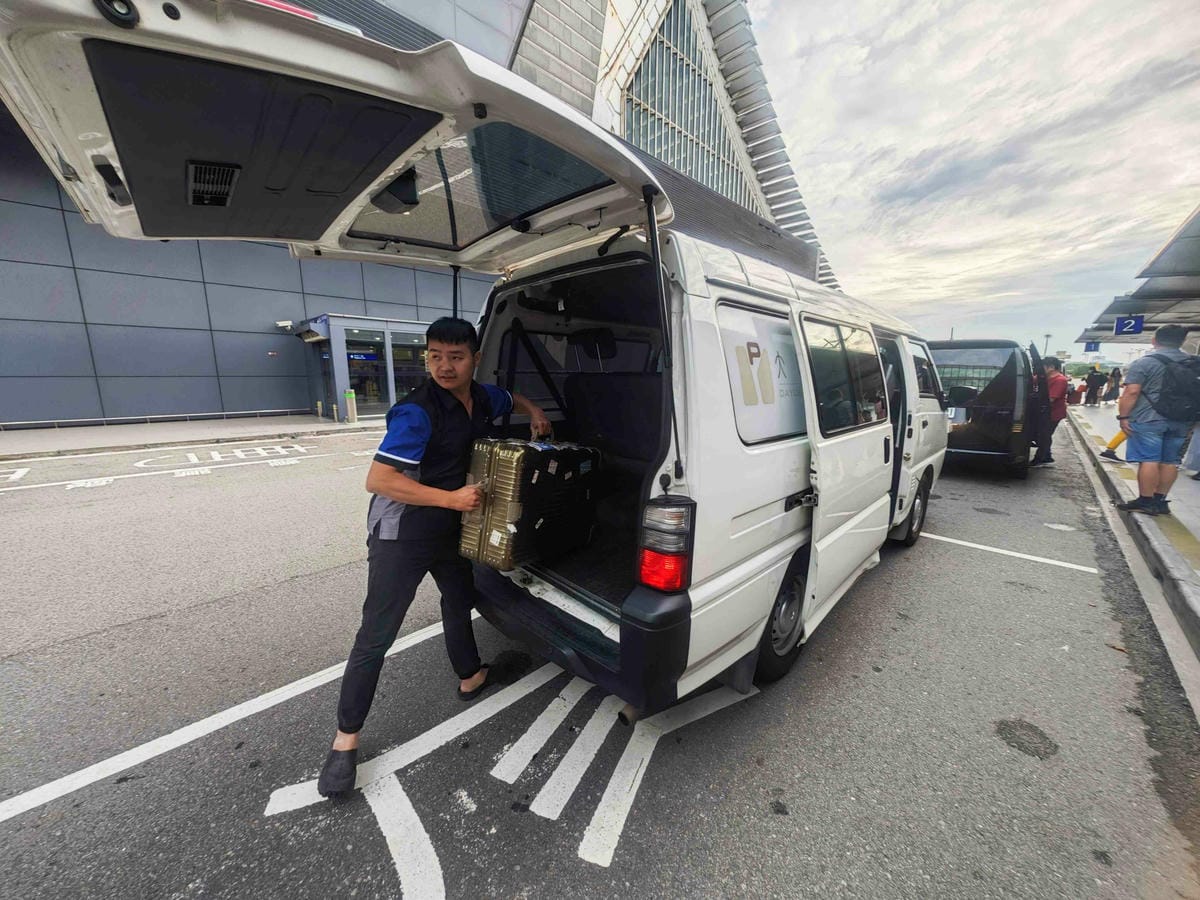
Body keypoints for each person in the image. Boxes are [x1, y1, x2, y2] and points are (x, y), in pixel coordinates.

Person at [318, 317, 552, 797]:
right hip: (402, 532)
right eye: (435, 356)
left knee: (458, 595)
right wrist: (452, 500)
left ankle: (470, 676)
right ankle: (345, 740)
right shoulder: (416, 412)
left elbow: (511, 397)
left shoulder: (483, 397)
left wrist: (535, 410)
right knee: (377, 632)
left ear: (474, 359)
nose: (444, 367)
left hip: (446, 527)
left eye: (456, 357)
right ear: (426, 356)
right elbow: (380, 481)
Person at [1115, 326, 1195, 515]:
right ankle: (1160, 501)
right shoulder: (1192, 362)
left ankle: (1145, 500)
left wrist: (1124, 416)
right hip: (1181, 419)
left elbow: (1132, 391)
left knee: (1149, 459)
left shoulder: (1145, 363)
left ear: (1154, 340)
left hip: (1149, 418)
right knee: (1170, 461)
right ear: (1182, 342)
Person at [1031, 356, 1069, 466]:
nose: (1040, 369)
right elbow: (1032, 380)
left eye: (1043, 367)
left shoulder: (1060, 380)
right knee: (1041, 434)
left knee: (1043, 436)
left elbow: (1051, 399)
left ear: (1051, 367)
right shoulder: (1045, 378)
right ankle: (1047, 456)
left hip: (1053, 414)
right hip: (1044, 413)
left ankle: (1040, 458)